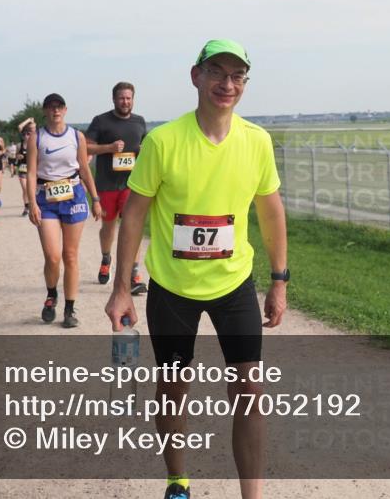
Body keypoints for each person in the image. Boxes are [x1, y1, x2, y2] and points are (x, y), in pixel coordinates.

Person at [104, 40, 288, 499]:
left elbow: (271, 213)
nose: (227, 84)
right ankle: (177, 479)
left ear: (244, 83)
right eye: (217, 73)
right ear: (196, 77)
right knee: (172, 388)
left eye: (237, 76)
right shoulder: (164, 141)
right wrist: (122, 289)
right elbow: (134, 215)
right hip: (173, 288)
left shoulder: (257, 141)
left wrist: (279, 280)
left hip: (234, 285)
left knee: (248, 389)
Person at [25, 94, 102, 328]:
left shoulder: (76, 136)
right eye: (51, 107)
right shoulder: (37, 138)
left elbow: (85, 170)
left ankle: (69, 309)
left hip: (74, 196)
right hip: (46, 198)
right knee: (53, 256)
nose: (55, 111)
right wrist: (32, 203)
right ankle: (51, 296)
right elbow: (30, 172)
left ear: (65, 110)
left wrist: (95, 198)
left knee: (70, 255)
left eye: (59, 107)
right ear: (45, 111)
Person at [85, 82, 148, 293]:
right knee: (109, 227)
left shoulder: (139, 122)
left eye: (129, 98)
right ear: (114, 99)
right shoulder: (101, 121)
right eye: (121, 98)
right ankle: (106, 259)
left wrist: (142, 150)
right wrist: (108, 148)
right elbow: (85, 146)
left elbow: (146, 147)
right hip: (107, 184)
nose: (125, 102)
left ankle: (134, 273)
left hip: (132, 184)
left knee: (133, 226)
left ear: (133, 99)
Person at [16, 119, 35, 217]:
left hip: (33, 169)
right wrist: (18, 157)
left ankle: (33, 204)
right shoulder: (20, 145)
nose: (27, 136)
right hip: (23, 169)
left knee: (32, 189)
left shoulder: (36, 142)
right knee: (25, 188)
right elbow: (16, 156)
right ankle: (26, 206)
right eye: (25, 134)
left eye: (29, 134)